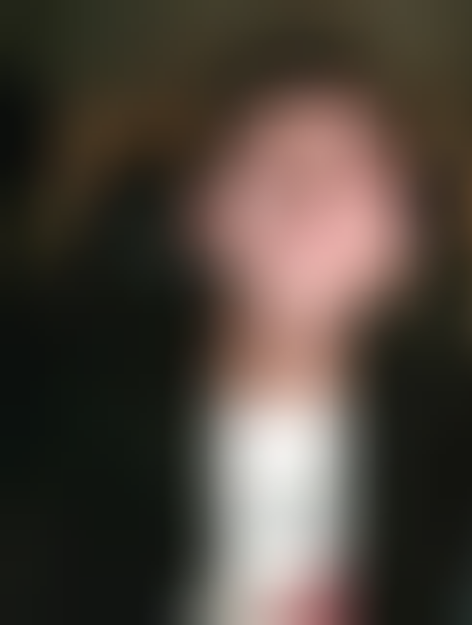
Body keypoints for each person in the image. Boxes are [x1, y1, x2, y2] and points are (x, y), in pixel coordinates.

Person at [10, 34, 442, 625]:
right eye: (265, 163)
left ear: (404, 243)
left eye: (352, 171)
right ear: (198, 219)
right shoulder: (54, 444)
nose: (307, 198)